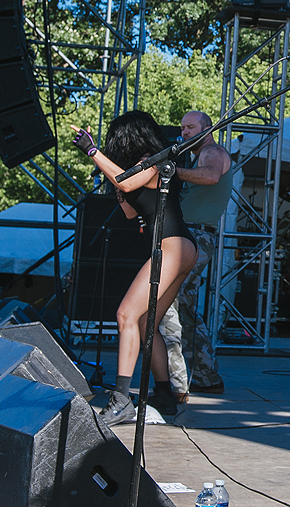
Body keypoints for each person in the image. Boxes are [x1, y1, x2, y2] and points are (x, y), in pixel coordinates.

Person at [71, 112, 197, 426]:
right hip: (180, 247)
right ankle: (166, 395)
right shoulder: (147, 165)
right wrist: (110, 176)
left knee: (126, 315)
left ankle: (121, 398)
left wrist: (93, 151)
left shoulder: (154, 161)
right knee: (145, 326)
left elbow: (126, 179)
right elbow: (129, 211)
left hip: (173, 245)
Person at [168, 110, 229, 395]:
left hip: (198, 236)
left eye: (190, 127)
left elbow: (212, 176)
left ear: (207, 128)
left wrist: (173, 172)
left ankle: (176, 381)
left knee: (171, 299)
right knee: (185, 307)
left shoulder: (212, 151)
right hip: (190, 234)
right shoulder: (195, 156)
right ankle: (206, 376)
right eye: (182, 128)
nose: (184, 132)